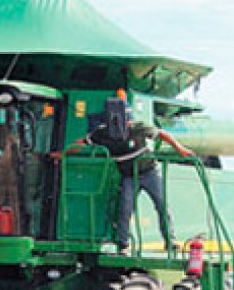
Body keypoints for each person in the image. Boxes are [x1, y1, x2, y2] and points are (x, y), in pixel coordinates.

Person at [54, 91, 195, 254]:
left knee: (162, 204)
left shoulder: (139, 127)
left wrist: (181, 149)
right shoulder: (101, 133)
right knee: (125, 208)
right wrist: (63, 153)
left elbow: (162, 134)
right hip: (129, 176)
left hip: (149, 172)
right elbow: (81, 142)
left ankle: (170, 241)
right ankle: (123, 244)